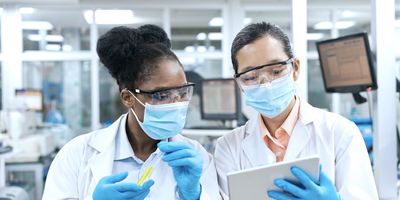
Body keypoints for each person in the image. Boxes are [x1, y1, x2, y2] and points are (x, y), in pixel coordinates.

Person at [43, 25, 221, 200]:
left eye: (182, 92)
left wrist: (194, 195)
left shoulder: (195, 158)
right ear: (128, 97)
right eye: (162, 95)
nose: (176, 104)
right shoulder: (76, 154)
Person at [214, 22, 378, 200]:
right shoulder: (229, 147)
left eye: (276, 71)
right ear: (239, 83)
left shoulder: (340, 132)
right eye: (251, 77)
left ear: (296, 68)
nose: (265, 84)